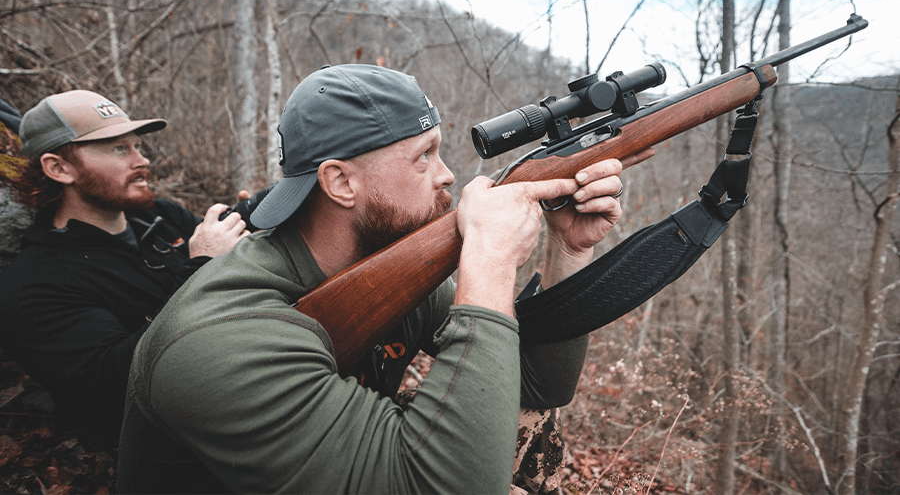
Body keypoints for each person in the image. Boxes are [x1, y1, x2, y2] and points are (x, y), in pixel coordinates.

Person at [118, 64, 649, 494]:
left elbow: (540, 385)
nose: (446, 175)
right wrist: (487, 262)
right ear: (341, 182)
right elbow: (439, 487)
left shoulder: (380, 272)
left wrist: (568, 249)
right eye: (423, 157)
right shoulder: (217, 340)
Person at [0, 89, 250, 434]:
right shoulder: (34, 284)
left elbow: (239, 272)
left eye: (138, 146)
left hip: (242, 375)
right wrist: (204, 268)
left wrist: (253, 230)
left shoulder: (160, 217)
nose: (142, 160)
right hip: (168, 443)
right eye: (119, 148)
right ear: (59, 168)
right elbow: (121, 383)